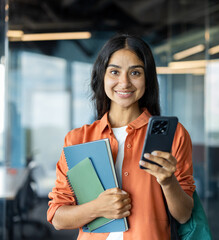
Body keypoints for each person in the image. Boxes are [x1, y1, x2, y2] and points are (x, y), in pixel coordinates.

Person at [47, 33, 195, 240]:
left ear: (147, 79)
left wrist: (168, 181)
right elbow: (58, 217)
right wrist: (97, 208)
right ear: (102, 76)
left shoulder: (175, 135)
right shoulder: (78, 139)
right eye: (114, 72)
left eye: (135, 73)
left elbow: (184, 215)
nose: (124, 82)